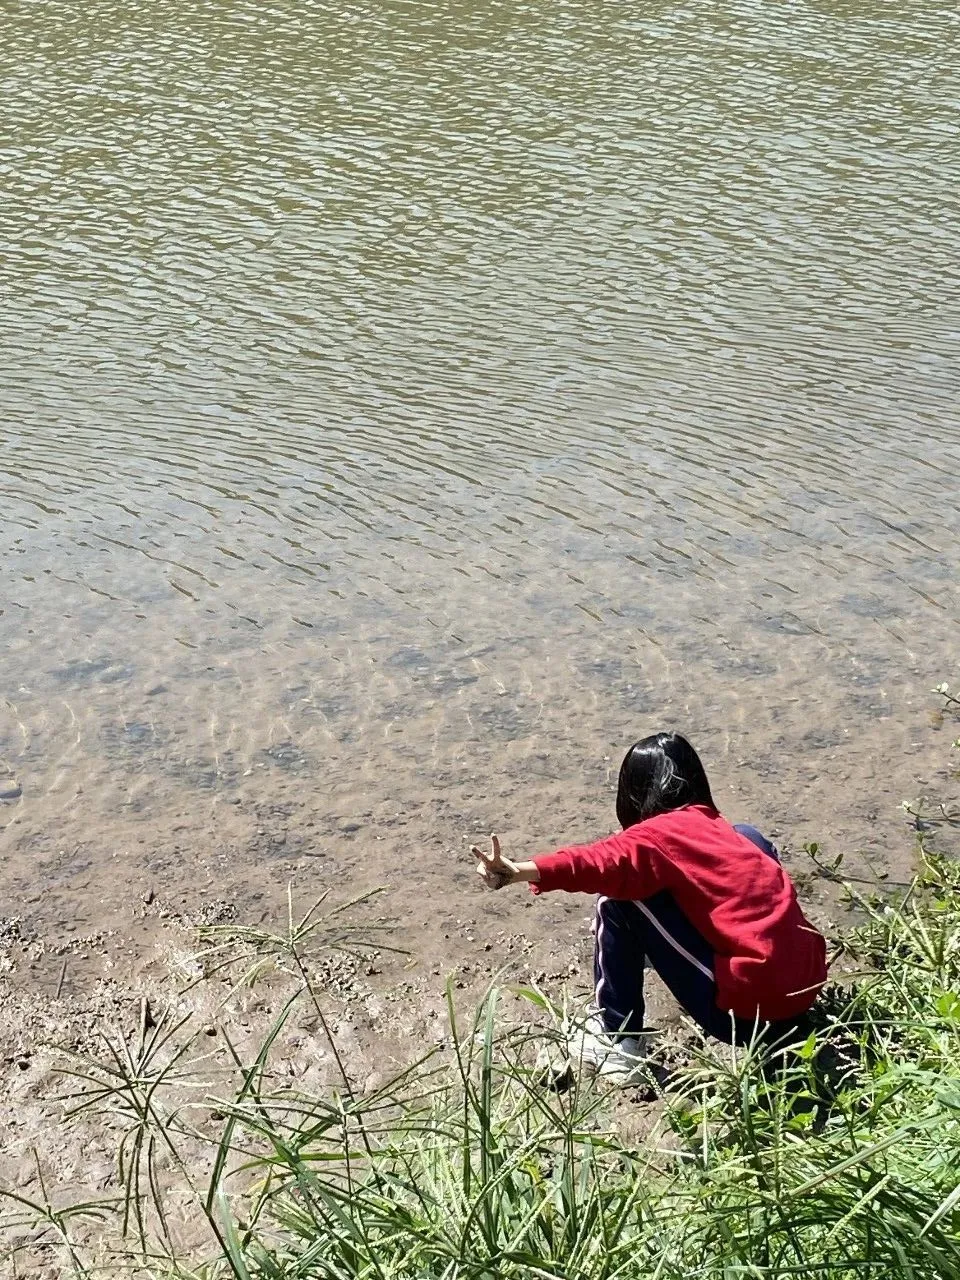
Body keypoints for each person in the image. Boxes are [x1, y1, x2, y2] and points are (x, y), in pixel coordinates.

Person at [472, 731, 827, 1080]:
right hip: (805, 996)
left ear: (633, 792)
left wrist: (518, 872)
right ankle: (647, 955)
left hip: (747, 1016)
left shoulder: (656, 837)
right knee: (745, 848)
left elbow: (596, 863)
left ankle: (619, 1043)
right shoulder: (735, 834)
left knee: (617, 903)